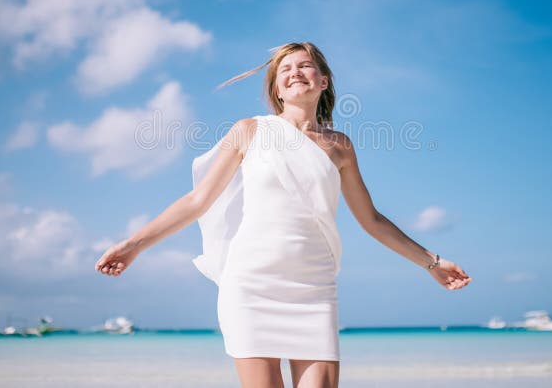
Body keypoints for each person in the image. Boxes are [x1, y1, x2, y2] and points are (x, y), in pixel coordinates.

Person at [95, 42, 472, 388]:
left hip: (314, 289)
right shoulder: (250, 131)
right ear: (276, 89)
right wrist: (133, 245)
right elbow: (198, 201)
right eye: (285, 69)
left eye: (305, 65)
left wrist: (431, 262)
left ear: (322, 81)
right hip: (251, 286)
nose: (295, 72)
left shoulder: (339, 146)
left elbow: (370, 219)